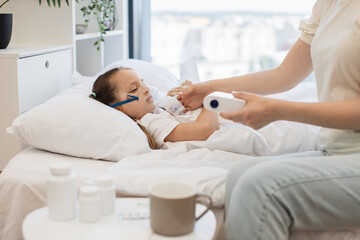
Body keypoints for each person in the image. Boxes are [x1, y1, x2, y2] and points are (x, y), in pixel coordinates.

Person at [177, 0, 360, 239]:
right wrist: (209, 89)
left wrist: (279, 110)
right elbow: (284, 76)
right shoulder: (328, 5)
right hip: (336, 150)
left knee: (260, 187)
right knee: (239, 174)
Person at [89, 67, 219, 150]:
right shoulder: (150, 122)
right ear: (119, 109)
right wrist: (210, 98)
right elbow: (205, 130)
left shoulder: (159, 110)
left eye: (143, 83)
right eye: (134, 89)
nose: (146, 89)